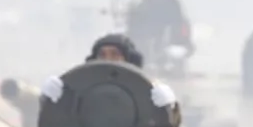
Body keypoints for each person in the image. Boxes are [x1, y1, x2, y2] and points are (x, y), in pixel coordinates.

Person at [41, 33, 178, 111]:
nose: (108, 59)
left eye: (115, 54)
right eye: (102, 55)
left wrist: (170, 106)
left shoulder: (148, 89)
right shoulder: (81, 88)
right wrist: (50, 97)